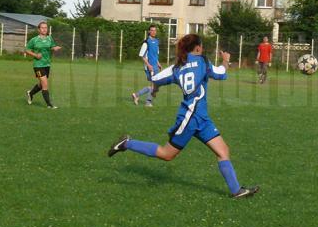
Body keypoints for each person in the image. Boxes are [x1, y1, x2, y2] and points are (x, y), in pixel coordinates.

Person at [109, 34, 259, 199]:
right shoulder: (202, 61)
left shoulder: (176, 67)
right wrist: (225, 59)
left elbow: (156, 78)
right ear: (197, 48)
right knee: (167, 154)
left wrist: (156, 89)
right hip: (190, 119)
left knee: (223, 151)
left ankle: (236, 191)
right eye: (201, 46)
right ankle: (127, 144)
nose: (202, 48)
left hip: (201, 118)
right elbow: (221, 73)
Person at [25, 21, 62, 109]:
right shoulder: (34, 40)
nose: (44, 29)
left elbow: (52, 47)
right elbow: (27, 50)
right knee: (45, 84)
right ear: (39, 29)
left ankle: (30, 93)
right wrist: (35, 55)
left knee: (41, 85)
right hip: (37, 65)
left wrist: (55, 48)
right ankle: (50, 105)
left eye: (46, 28)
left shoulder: (49, 38)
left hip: (47, 64)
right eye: (42, 27)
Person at [131, 24, 162, 107]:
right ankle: (148, 102)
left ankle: (136, 95)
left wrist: (158, 64)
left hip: (155, 66)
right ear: (149, 31)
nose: (153, 32)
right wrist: (149, 65)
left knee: (154, 85)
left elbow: (155, 55)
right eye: (152, 30)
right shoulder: (146, 42)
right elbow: (142, 55)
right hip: (150, 67)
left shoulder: (156, 41)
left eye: (155, 30)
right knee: (154, 85)